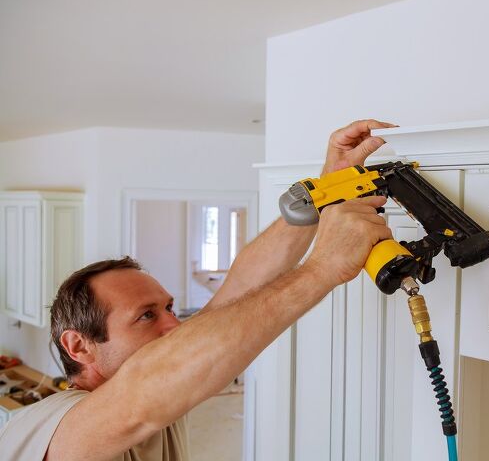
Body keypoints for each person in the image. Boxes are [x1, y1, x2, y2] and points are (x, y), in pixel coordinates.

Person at [0, 119, 396, 461]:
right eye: (146, 315)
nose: (174, 324)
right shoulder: (54, 424)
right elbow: (137, 399)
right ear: (79, 345)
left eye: (168, 307)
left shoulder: (165, 387)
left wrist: (327, 188)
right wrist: (324, 267)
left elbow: (241, 288)